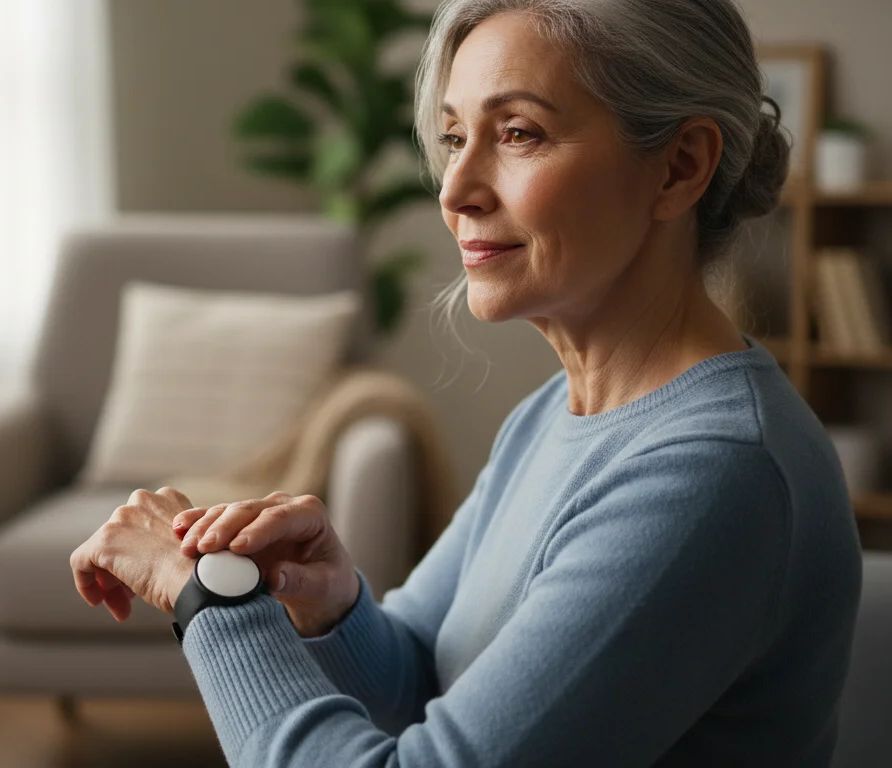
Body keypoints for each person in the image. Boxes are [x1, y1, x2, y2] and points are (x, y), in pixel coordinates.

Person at [68, 0, 864, 764]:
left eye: (519, 133)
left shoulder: (715, 471)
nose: (454, 191)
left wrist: (211, 601)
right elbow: (422, 678)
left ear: (680, 167)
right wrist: (333, 605)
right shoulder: (553, 414)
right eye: (455, 137)